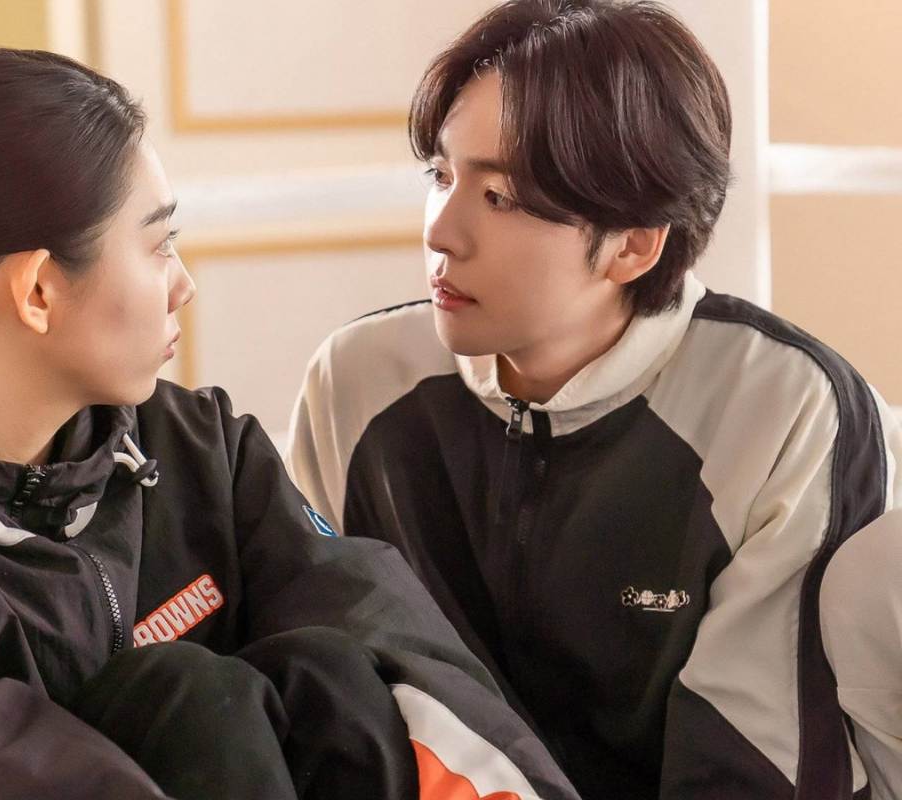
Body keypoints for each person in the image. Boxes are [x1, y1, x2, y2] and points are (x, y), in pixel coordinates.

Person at [0, 48, 578, 800]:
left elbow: (398, 647)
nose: (183, 284)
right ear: (38, 291)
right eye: (158, 245)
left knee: (330, 680)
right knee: (187, 703)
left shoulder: (193, 448)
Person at [285, 2, 902, 798]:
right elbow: (321, 676)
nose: (441, 232)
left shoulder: (784, 409)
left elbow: (755, 767)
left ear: (634, 244)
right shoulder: (359, 382)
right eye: (440, 176)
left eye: (499, 196)